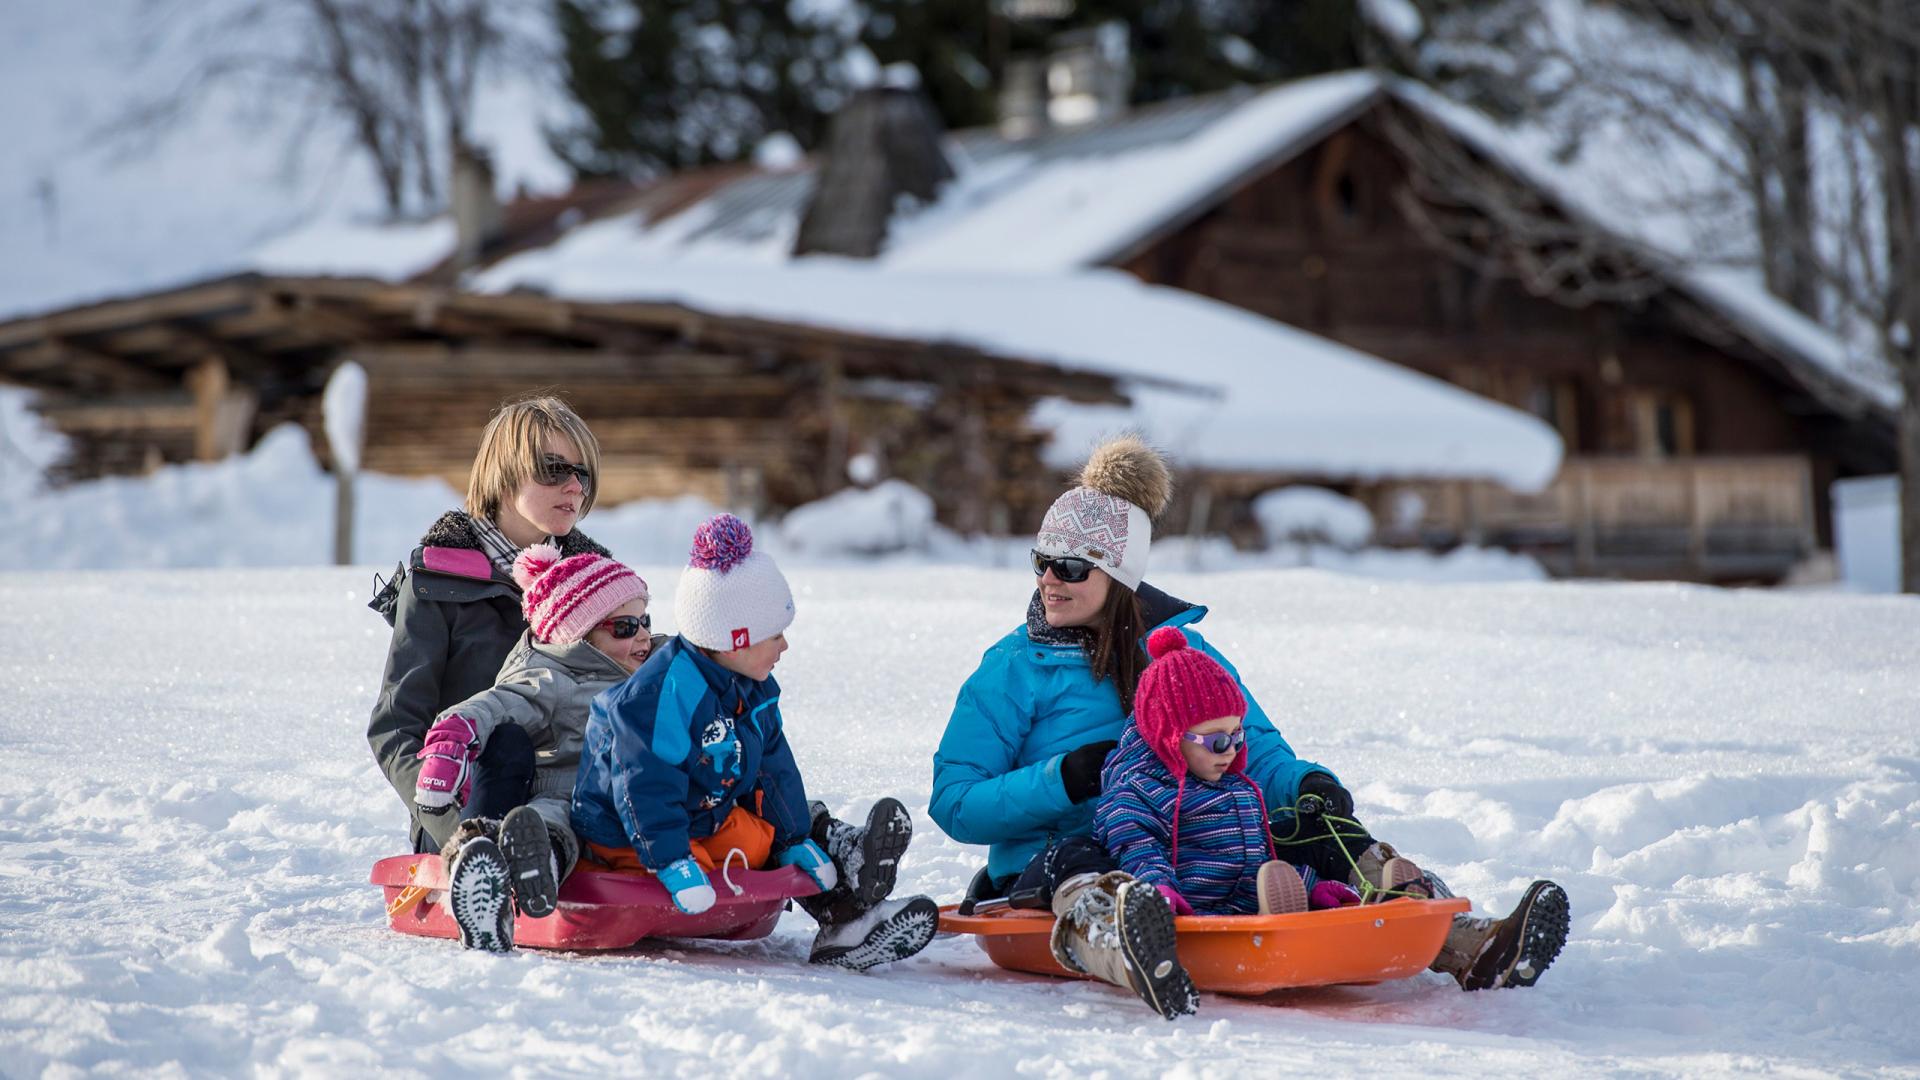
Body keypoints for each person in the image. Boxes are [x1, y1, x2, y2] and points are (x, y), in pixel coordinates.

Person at [932, 436, 1568, 1018]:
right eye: (1042, 561)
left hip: (1196, 839)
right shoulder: (1013, 668)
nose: (1049, 579)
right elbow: (955, 802)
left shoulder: (1182, 654)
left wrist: (1305, 784)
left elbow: (1249, 743)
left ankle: (1460, 939)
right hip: (1066, 859)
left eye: (1071, 568)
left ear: (1119, 575)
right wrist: (1062, 781)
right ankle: (1124, 940)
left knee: (1316, 832)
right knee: (1087, 858)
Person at [571, 514, 939, 971]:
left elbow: (772, 768)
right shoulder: (659, 697)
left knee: (761, 845)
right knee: (705, 866)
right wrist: (671, 860)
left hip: (704, 814)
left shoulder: (753, 684)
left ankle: (844, 915)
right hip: (629, 832)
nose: (784, 646)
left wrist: (794, 839)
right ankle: (650, 871)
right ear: (734, 639)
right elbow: (644, 786)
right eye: (774, 635)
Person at [367, 396, 611, 858]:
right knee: (504, 740)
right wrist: (452, 829)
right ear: (505, 471)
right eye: (554, 469)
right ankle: (484, 871)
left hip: (576, 807)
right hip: (470, 806)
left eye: (583, 474)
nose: (574, 487)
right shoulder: (438, 581)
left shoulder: (595, 581)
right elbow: (396, 729)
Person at [418, 542, 658, 952]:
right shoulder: (554, 679)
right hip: (569, 792)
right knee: (551, 819)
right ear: (578, 637)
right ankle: (526, 868)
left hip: (640, 794)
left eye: (645, 621)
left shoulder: (651, 666)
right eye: (624, 627)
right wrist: (454, 733)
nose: (643, 636)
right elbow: (499, 702)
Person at [1092, 626, 1361, 920]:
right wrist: (1157, 891)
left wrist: (1309, 886)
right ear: (1170, 736)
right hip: (1183, 916)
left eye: (1237, 737)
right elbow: (1138, 852)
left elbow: (1256, 865)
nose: (1231, 750)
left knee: (1312, 835)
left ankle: (1377, 879)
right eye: (1218, 741)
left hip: (1240, 913)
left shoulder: (1236, 789)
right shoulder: (1137, 794)